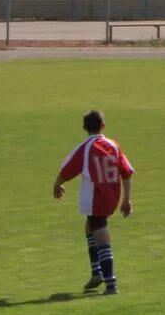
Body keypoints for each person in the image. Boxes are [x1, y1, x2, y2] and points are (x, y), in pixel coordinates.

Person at [54, 109, 135, 295]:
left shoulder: (85, 148)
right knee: (89, 227)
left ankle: (110, 283)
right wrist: (126, 199)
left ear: (84, 128)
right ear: (103, 126)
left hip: (96, 198)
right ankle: (96, 272)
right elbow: (127, 172)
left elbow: (68, 169)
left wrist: (57, 184)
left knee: (100, 233)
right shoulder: (113, 145)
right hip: (112, 196)